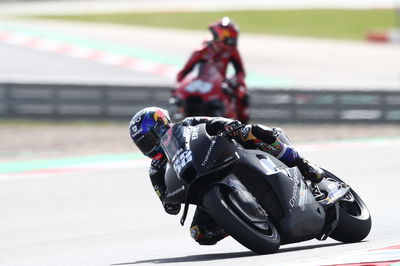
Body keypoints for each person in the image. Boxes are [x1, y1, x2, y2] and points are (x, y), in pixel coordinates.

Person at [129, 107, 324, 245]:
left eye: (150, 138)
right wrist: (168, 200)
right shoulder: (155, 170)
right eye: (143, 143)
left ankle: (302, 164)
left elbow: (213, 123)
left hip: (225, 155)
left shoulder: (187, 124)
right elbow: (167, 202)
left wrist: (232, 127)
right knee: (200, 233)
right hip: (202, 187)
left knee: (250, 132)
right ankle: (241, 221)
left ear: (162, 125)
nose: (149, 145)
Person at [176, 17, 250, 124]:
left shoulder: (232, 51)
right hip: (201, 86)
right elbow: (184, 72)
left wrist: (236, 81)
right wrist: (180, 86)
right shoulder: (202, 51)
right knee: (181, 102)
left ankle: (242, 126)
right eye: (228, 38)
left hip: (220, 86)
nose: (231, 42)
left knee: (242, 95)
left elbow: (240, 71)